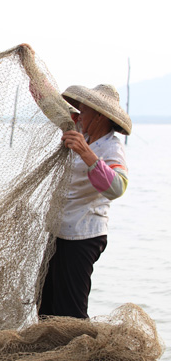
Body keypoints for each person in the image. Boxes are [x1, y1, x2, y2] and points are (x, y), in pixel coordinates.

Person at [38, 84, 132, 319]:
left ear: (100, 115)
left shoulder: (111, 148)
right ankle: (48, 341)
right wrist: (32, 75)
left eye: (84, 110)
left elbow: (117, 187)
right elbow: (53, 108)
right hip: (59, 231)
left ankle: (77, 343)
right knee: (46, 303)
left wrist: (86, 154)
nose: (79, 115)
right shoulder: (82, 132)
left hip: (83, 236)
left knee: (70, 310)